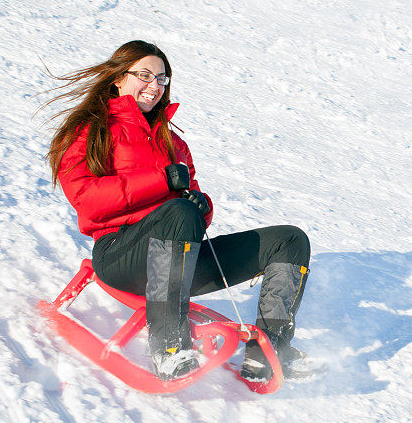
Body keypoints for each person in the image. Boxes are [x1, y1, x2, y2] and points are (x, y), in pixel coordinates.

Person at [45, 40, 312, 382]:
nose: (154, 86)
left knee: (288, 240)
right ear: (118, 78)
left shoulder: (173, 143)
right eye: (144, 75)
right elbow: (86, 198)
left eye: (162, 79)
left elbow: (193, 202)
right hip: (121, 254)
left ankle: (267, 353)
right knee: (178, 212)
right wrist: (162, 181)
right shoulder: (92, 131)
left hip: (180, 257)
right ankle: (169, 346)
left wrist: (203, 206)